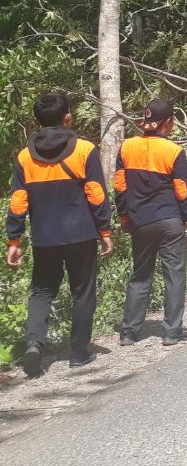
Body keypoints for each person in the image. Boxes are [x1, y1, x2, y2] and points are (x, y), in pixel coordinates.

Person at [6, 92, 113, 377]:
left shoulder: (25, 156)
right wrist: (105, 230)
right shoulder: (85, 150)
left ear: (36, 121)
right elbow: (96, 194)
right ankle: (79, 353)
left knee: (42, 291)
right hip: (81, 235)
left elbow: (18, 200)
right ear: (67, 117)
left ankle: (33, 344)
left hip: (44, 239)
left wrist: (13, 240)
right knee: (83, 292)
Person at [115, 99, 187, 347]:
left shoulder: (126, 146)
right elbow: (182, 191)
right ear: (169, 122)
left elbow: (120, 186)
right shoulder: (173, 151)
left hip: (140, 222)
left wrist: (124, 216)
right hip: (170, 222)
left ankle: (129, 332)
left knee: (140, 275)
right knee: (174, 276)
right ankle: (171, 331)